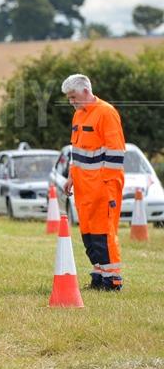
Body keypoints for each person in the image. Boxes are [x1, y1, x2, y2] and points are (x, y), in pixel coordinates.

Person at [61, 74, 125, 291]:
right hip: (83, 187)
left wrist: (106, 186)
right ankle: (98, 276)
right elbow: (76, 152)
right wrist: (71, 177)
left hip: (103, 186)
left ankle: (113, 279)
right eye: (69, 98)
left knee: (104, 232)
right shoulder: (78, 116)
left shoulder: (106, 113)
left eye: (73, 97)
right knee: (89, 233)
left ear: (86, 91)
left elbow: (116, 153)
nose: (71, 102)